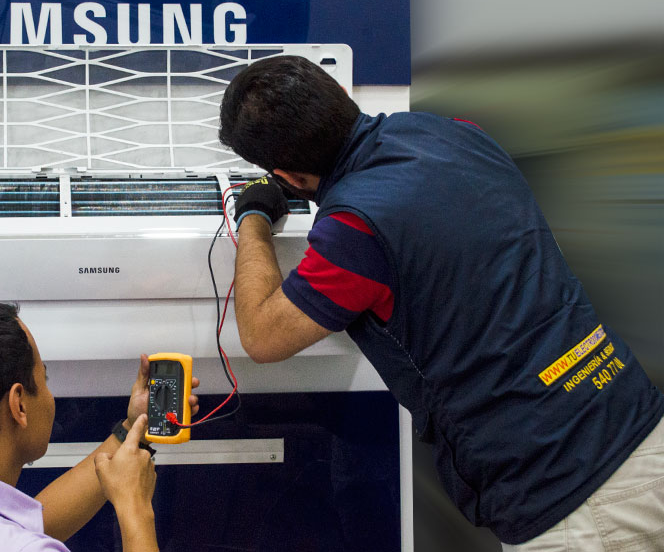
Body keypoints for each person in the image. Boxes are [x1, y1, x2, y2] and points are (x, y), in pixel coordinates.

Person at [218, 55, 664, 550]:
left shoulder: (357, 229)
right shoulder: (457, 133)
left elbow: (261, 335)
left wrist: (255, 215)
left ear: (288, 175)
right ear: (343, 98)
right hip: (637, 422)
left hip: (571, 500)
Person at [0, 299, 198, 552]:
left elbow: (30, 525)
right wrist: (134, 508)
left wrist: (132, 429)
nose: (48, 394)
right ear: (19, 404)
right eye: (43, 376)